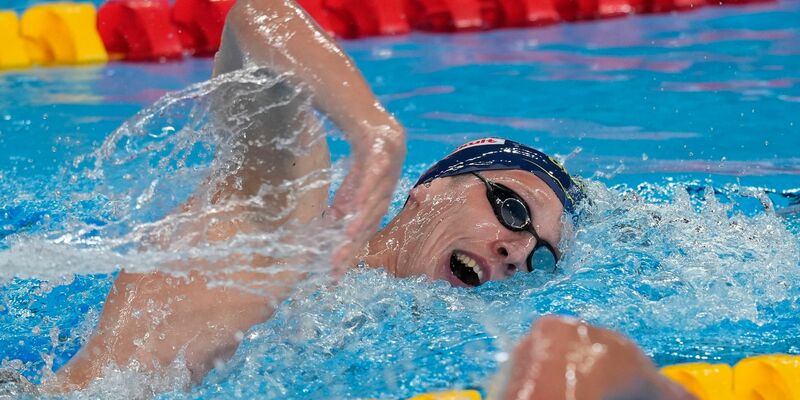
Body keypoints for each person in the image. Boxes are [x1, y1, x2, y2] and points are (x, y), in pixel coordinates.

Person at [1, 0, 694, 398]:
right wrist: (373, 132)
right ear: (430, 190)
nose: (518, 251)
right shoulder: (281, 225)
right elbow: (256, 19)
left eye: (540, 258)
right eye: (513, 210)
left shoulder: (414, 343)